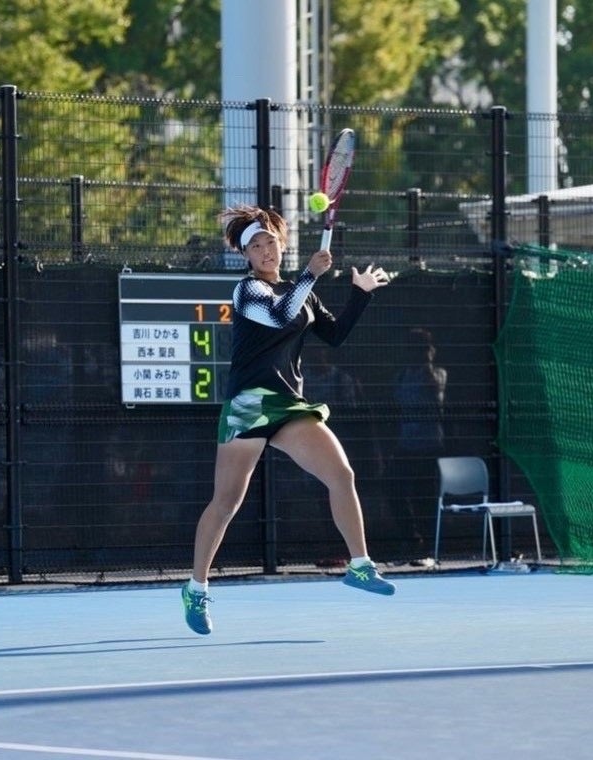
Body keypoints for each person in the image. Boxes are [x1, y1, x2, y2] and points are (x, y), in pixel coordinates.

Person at [181, 205, 395, 636]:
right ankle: (196, 588)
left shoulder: (302, 292)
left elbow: (334, 336)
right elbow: (279, 316)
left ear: (282, 245)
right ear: (247, 256)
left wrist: (361, 292)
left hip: (287, 404)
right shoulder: (247, 291)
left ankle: (359, 565)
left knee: (342, 474)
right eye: (256, 246)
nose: (265, 251)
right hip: (247, 403)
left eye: (270, 243)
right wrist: (311, 275)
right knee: (227, 503)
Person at [390, 328, 448, 548]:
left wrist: (427, 364)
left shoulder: (438, 373)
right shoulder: (401, 377)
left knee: (426, 493)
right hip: (406, 445)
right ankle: (411, 536)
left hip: (431, 445)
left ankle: (431, 541)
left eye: (422, 348)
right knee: (395, 489)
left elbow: (435, 390)